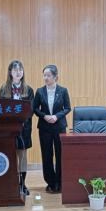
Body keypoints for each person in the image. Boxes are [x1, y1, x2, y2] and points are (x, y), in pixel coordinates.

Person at [0, 61, 34, 196]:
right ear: (10, 72)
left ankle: (22, 184)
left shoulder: (28, 89)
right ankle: (12, 184)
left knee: (22, 156)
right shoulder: (4, 89)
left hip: (24, 129)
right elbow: (0, 109)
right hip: (9, 129)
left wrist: (21, 121)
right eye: (15, 70)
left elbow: (30, 110)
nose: (18, 72)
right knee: (10, 156)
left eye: (20, 70)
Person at [33, 65, 71, 193]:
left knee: (60, 155)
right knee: (47, 155)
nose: (46, 78)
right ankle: (50, 182)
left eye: (48, 76)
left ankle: (59, 182)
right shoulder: (39, 91)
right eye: (44, 75)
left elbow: (67, 108)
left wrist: (56, 116)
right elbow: (35, 109)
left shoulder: (63, 91)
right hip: (44, 128)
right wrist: (44, 116)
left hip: (59, 127)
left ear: (55, 77)